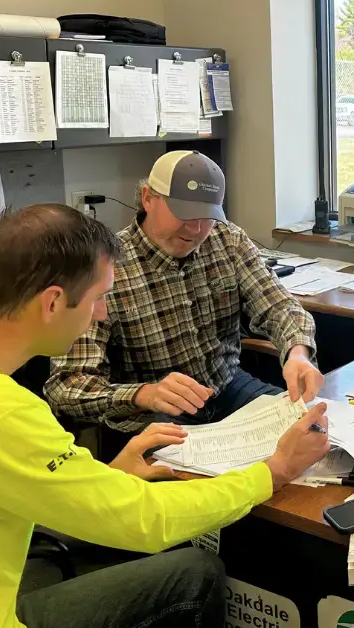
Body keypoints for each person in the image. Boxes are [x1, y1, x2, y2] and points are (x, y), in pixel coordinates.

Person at [0, 205, 330, 628]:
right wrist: (274, 471)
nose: (104, 312)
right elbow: (147, 522)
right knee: (195, 574)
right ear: (51, 302)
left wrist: (107, 478)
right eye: (99, 297)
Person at [45, 150, 322, 435]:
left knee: (307, 431)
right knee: (221, 474)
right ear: (148, 198)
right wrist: (143, 394)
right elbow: (67, 386)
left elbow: (280, 307)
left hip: (227, 387)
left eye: (207, 216)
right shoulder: (105, 266)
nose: (196, 228)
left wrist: (297, 353)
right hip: (151, 413)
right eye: (184, 213)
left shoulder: (228, 241)